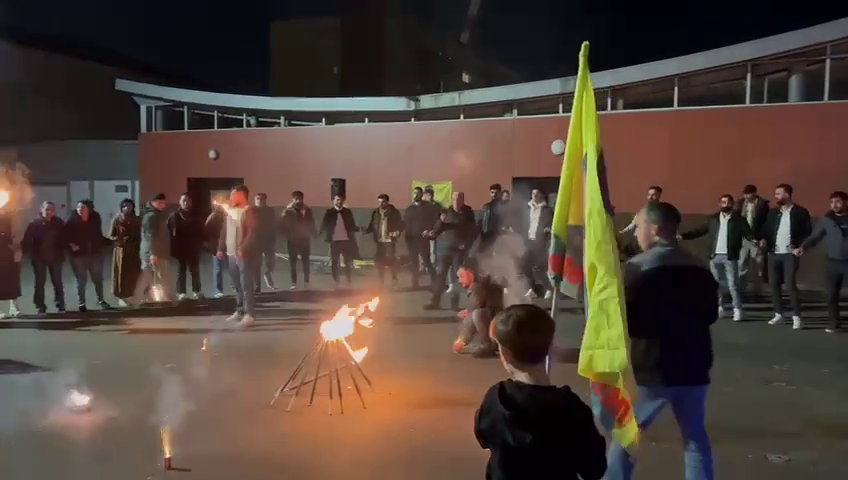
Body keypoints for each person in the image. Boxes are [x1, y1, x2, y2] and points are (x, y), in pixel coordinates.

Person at [606, 201, 718, 480]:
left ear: (654, 229)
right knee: (694, 436)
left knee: (626, 434)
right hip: (695, 364)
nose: (635, 234)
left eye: (638, 227)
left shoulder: (637, 269)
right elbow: (710, 314)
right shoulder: (700, 266)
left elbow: (625, 320)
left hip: (653, 366)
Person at [474, 303, 607, 480]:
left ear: (506, 354)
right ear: (550, 346)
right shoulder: (571, 407)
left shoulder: (498, 398)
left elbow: (483, 436)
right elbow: (594, 468)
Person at [679, 194, 753, 321]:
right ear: (719, 204)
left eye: (728, 202)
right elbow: (700, 231)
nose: (726, 205)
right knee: (716, 284)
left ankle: (737, 309)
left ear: (732, 204)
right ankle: (719, 307)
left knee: (733, 285)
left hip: (730, 256)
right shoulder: (713, 219)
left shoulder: (739, 220)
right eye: (723, 202)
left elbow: (748, 234)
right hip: (714, 256)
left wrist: (755, 239)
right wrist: (683, 236)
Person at [794, 191, 848, 333]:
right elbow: (815, 237)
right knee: (831, 296)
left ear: (846, 202)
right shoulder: (827, 220)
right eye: (832, 202)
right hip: (833, 263)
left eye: (838, 201)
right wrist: (803, 247)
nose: (834, 205)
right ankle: (834, 322)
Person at [760, 184, 812, 330]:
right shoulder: (773, 212)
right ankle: (779, 314)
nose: (775, 196)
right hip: (774, 253)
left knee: (790, 285)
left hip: (790, 254)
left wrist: (799, 246)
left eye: (778, 193)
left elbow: (807, 232)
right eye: (775, 193)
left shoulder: (800, 212)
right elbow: (765, 229)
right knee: (774, 284)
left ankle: (797, 317)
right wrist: (763, 239)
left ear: (787, 195)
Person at [424, 192, 477, 311]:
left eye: (458, 199)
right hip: (444, 250)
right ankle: (435, 302)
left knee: (456, 277)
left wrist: (466, 244)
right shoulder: (446, 212)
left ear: (462, 200)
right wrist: (441, 222)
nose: (455, 201)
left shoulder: (468, 214)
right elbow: (436, 230)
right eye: (453, 199)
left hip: (458, 251)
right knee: (440, 276)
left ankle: (454, 304)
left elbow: (473, 232)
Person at [217, 185, 260, 328]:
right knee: (236, 285)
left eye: (234, 195)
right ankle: (240, 310)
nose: (230, 198)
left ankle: (250, 315)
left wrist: (244, 248)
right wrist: (220, 248)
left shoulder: (249, 212)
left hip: (244, 255)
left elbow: (253, 232)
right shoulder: (229, 211)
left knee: (246, 285)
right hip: (231, 253)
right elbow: (224, 231)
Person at [64, 199, 110, 312]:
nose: (80, 209)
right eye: (78, 207)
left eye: (83, 207)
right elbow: (64, 236)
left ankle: (101, 300)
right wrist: (71, 245)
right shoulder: (72, 220)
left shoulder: (95, 219)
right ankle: (82, 303)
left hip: (95, 254)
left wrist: (109, 242)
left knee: (97, 279)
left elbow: (98, 235)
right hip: (79, 256)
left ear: (89, 209)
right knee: (81, 280)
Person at [22, 201, 66, 314]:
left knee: (57, 281)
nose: (49, 212)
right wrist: (29, 253)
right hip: (39, 257)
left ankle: (60, 303)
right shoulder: (34, 224)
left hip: (56, 257)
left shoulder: (59, 223)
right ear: (41, 210)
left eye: (52, 210)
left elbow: (65, 238)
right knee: (40, 282)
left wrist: (64, 249)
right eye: (47, 209)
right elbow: (27, 240)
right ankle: (40, 305)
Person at [453, 264, 504, 358]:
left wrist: (463, 339)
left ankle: (487, 345)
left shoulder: (477, 286)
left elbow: (474, 312)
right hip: (500, 316)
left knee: (477, 314)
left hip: (499, 317)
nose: (459, 280)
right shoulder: (482, 283)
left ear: (470, 275)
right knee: (472, 314)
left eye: (461, 276)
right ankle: (491, 344)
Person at [136, 193, 172, 304]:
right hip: (152, 253)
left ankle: (151, 298)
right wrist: (153, 253)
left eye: (164, 202)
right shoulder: (151, 217)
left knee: (155, 276)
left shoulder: (158, 215)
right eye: (160, 202)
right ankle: (149, 298)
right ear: (153, 202)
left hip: (158, 252)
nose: (163, 205)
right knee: (152, 276)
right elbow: (150, 236)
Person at [734, 185, 770, 294]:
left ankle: (757, 289)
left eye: (748, 194)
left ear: (754, 193)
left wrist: (763, 237)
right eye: (745, 194)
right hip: (743, 238)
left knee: (758, 263)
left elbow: (766, 222)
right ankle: (741, 289)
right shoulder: (741, 203)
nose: (746, 196)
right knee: (741, 263)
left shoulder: (762, 204)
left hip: (756, 237)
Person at [168, 193, 203, 300]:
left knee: (195, 270)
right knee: (181, 271)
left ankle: (197, 291)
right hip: (180, 247)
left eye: (187, 200)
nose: (185, 203)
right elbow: (169, 231)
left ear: (191, 202)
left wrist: (201, 242)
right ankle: (181, 292)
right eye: (183, 200)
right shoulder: (174, 216)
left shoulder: (196, 215)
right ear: (179, 202)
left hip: (193, 247)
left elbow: (201, 230)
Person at [319, 194, 360, 288]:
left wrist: (358, 229)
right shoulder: (329, 212)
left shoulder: (347, 212)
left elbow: (352, 224)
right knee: (334, 261)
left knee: (347, 262)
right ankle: (336, 280)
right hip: (335, 241)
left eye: (341, 200)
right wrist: (322, 232)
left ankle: (348, 279)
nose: (339, 202)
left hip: (346, 240)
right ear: (333, 201)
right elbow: (324, 224)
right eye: (337, 200)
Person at [364, 194, 403, 289]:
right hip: (379, 241)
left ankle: (394, 280)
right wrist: (365, 230)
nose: (381, 204)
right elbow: (372, 224)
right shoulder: (376, 212)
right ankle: (381, 281)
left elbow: (400, 224)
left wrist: (397, 231)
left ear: (387, 202)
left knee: (391, 261)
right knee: (379, 262)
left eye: (383, 202)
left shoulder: (394, 212)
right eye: (379, 202)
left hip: (389, 241)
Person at [108, 198, 141, 307]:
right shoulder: (116, 220)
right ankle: (122, 297)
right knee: (121, 274)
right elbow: (111, 236)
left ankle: (133, 295)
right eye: (124, 206)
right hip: (121, 252)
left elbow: (141, 234)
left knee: (134, 273)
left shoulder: (137, 220)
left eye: (129, 206)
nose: (126, 208)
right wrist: (119, 240)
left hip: (134, 251)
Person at [521, 189, 554, 299]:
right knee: (525, 265)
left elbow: (550, 222)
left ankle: (549, 289)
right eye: (533, 193)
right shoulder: (527, 208)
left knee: (539, 267)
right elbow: (523, 222)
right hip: (528, 240)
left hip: (539, 241)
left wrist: (547, 229)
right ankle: (532, 289)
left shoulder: (546, 209)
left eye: (537, 193)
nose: (534, 195)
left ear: (541, 195)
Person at [403, 187, 437, 289]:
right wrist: (407, 237)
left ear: (421, 195)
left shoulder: (428, 207)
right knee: (414, 262)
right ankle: (415, 283)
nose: (416, 195)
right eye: (414, 193)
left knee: (426, 261)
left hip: (423, 239)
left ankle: (435, 281)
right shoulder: (409, 209)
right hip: (412, 240)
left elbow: (433, 220)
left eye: (418, 193)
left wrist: (429, 230)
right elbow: (406, 224)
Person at [282, 190, 316, 290]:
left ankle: (307, 282)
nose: (298, 201)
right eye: (296, 199)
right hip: (292, 239)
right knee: (293, 262)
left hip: (304, 238)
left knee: (306, 261)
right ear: (292, 199)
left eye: (300, 199)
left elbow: (311, 222)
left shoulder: (307, 210)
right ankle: (294, 283)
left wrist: (314, 234)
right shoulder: (288, 210)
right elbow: (282, 223)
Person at [252, 193, 278, 292]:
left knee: (271, 260)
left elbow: (273, 224)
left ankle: (268, 273)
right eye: (257, 199)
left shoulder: (270, 211)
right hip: (256, 241)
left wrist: (273, 238)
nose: (259, 201)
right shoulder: (252, 211)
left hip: (268, 239)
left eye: (261, 199)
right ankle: (257, 285)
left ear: (265, 200)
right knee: (256, 264)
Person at [205, 202, 228, 298]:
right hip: (217, 246)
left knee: (232, 268)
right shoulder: (213, 217)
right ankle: (218, 290)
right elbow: (207, 231)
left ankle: (236, 287)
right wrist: (211, 244)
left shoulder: (228, 216)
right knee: (218, 268)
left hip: (228, 245)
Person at [479, 183, 506, 254]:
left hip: (498, 238)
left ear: (500, 193)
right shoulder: (486, 207)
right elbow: (481, 223)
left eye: (496, 193)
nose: (494, 195)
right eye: (492, 192)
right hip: (486, 237)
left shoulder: (504, 207)